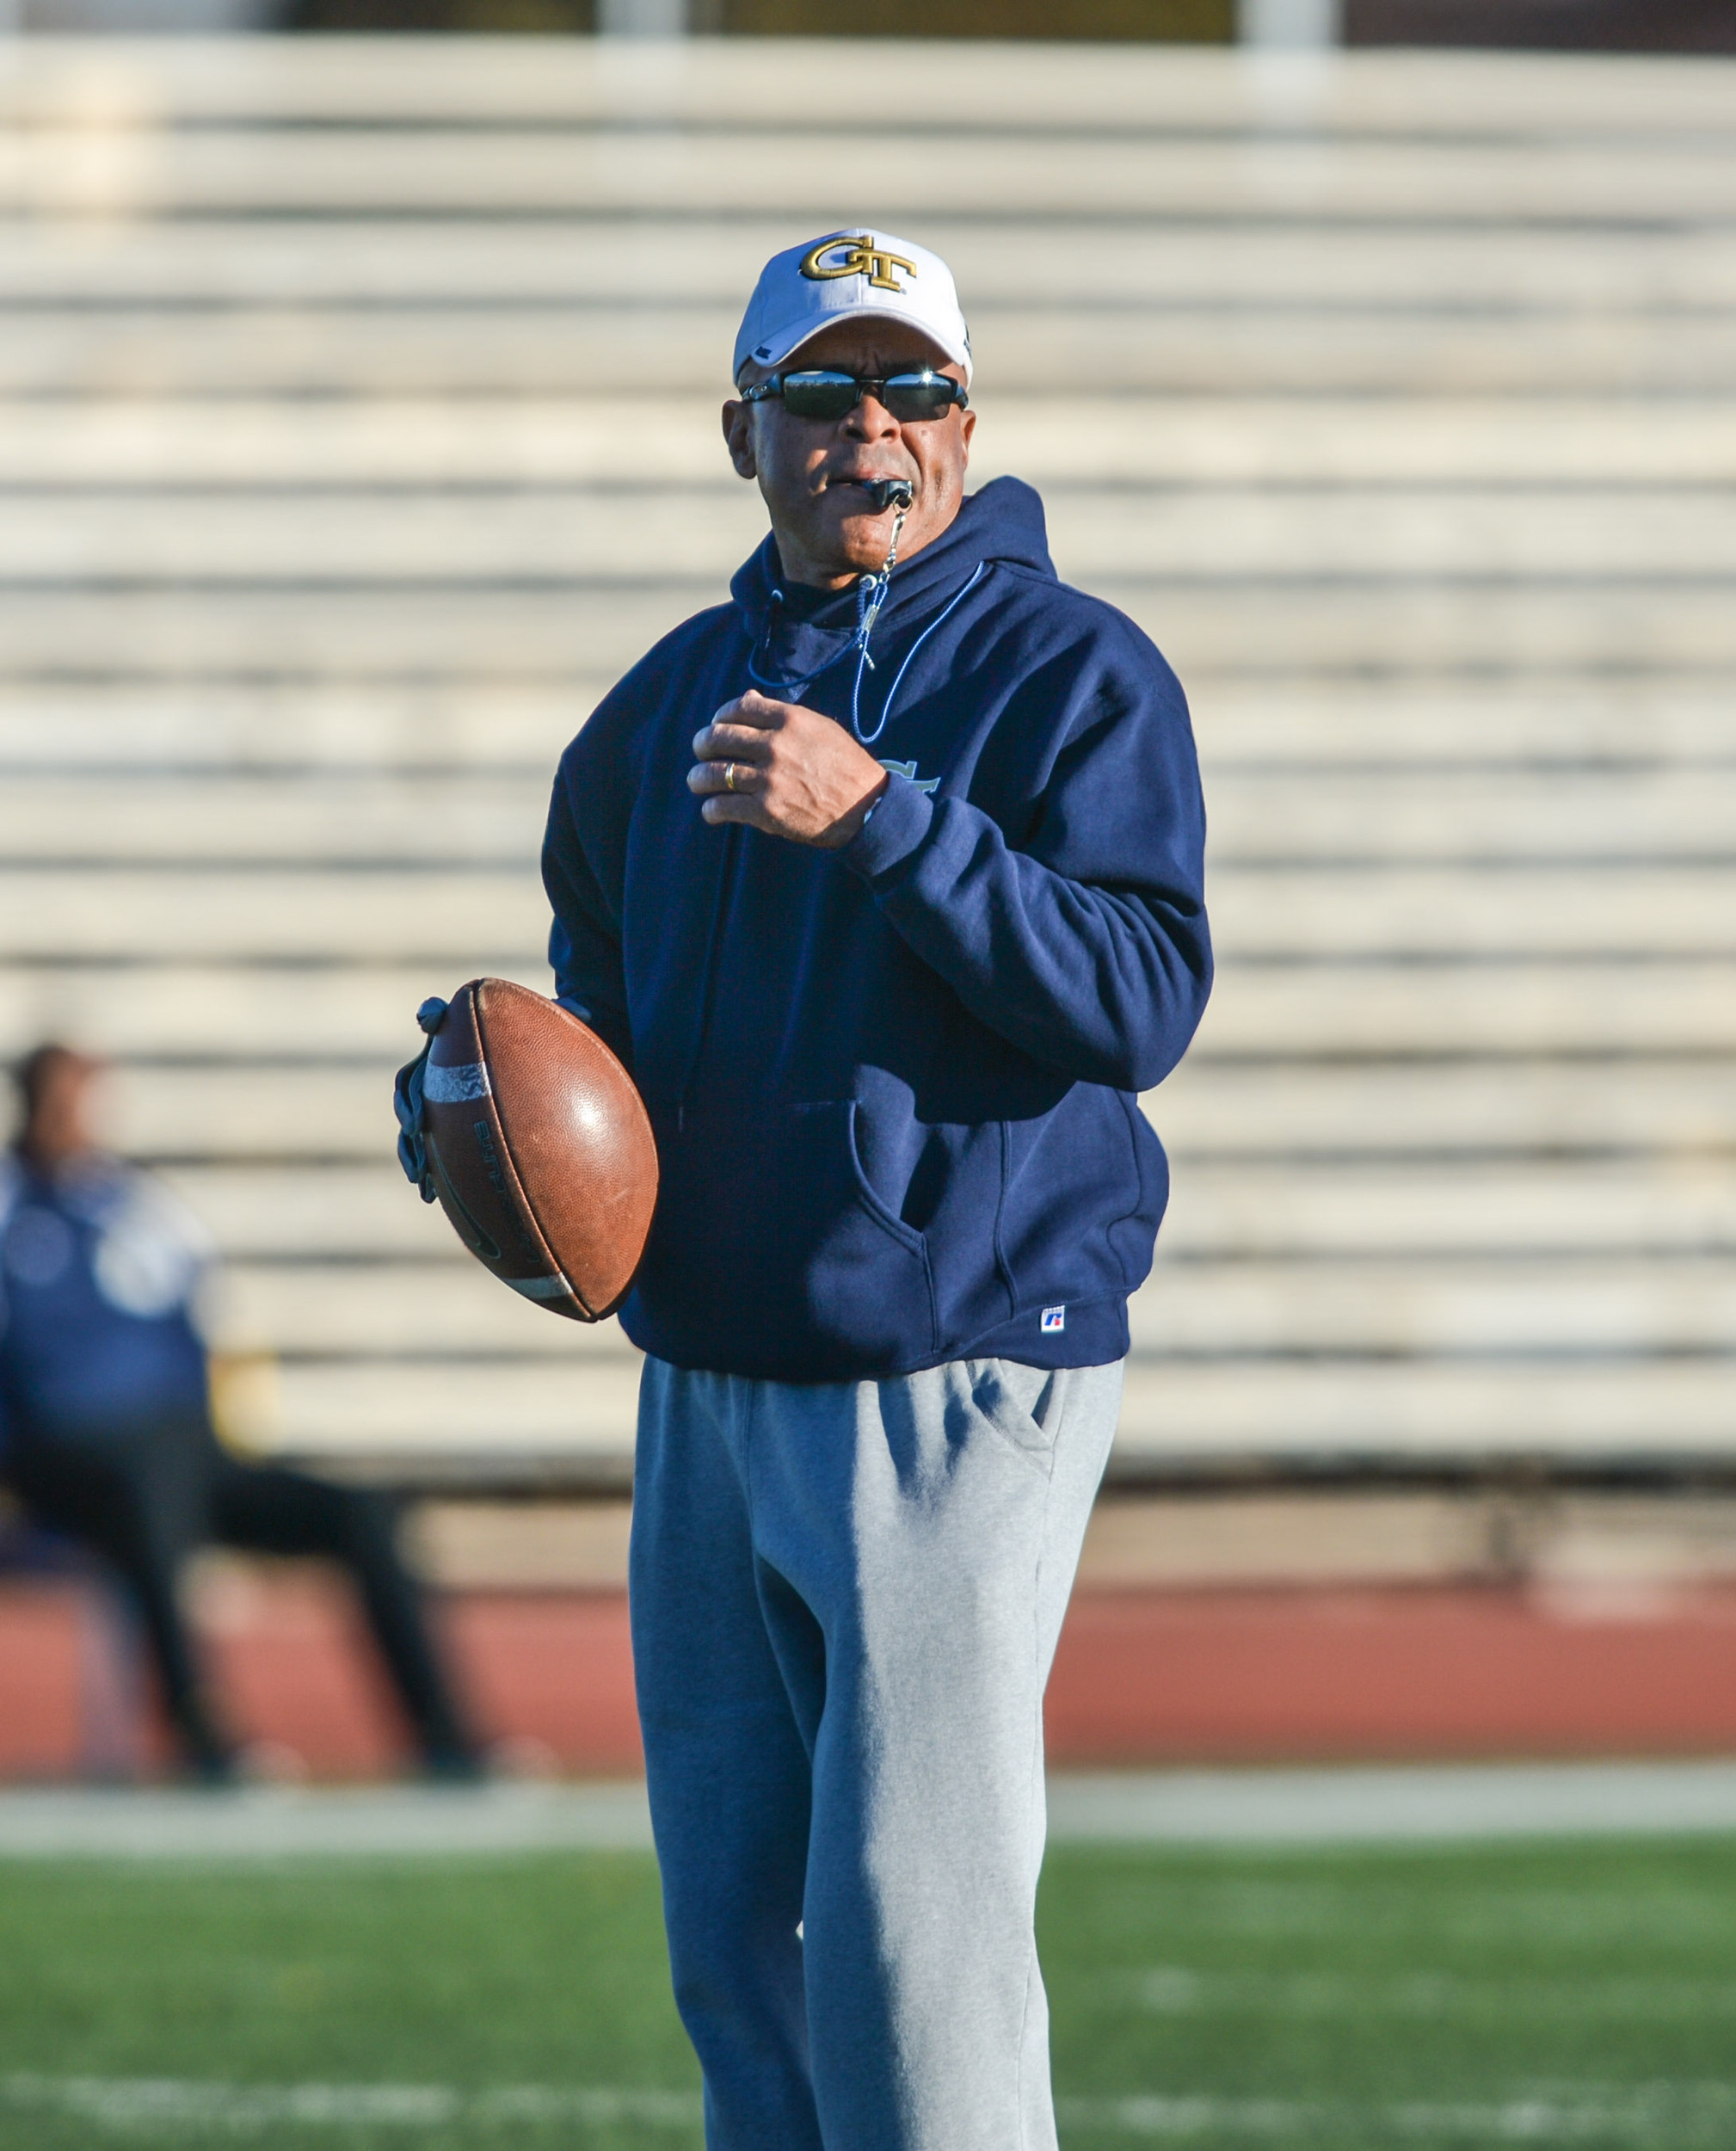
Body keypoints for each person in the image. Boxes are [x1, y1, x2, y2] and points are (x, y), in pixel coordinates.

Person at [541, 229, 1210, 2149]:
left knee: (914, 1965)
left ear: (967, 421)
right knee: (739, 1960)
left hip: (955, 1361)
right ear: (741, 429)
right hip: (711, 1376)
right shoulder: (664, 698)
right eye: (823, 393)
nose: (871, 428)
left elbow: (1140, 991)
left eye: (910, 389)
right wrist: (494, 1118)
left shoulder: (1068, 668)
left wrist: (890, 823)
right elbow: (597, 992)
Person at [0, 1044, 481, 1784]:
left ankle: (449, 1740)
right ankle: (208, 1739)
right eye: (60, 1099)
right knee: (149, 1492)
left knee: (365, 1515)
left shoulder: (141, 1207)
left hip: (185, 1448)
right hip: (61, 1456)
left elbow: (213, 1336)